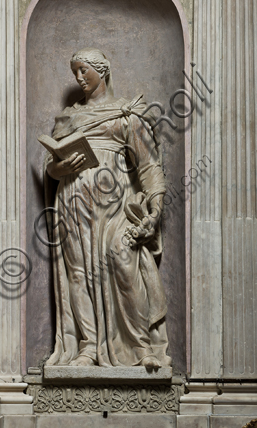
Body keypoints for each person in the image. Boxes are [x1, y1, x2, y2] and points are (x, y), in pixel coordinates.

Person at [44, 48, 171, 369]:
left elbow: (148, 166)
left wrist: (155, 207)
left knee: (124, 262)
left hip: (116, 203)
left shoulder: (127, 113)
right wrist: (59, 169)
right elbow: (51, 165)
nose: (78, 78)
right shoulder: (70, 116)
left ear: (102, 71)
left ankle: (141, 346)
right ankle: (87, 348)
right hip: (73, 201)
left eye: (83, 70)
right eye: (75, 73)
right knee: (78, 274)